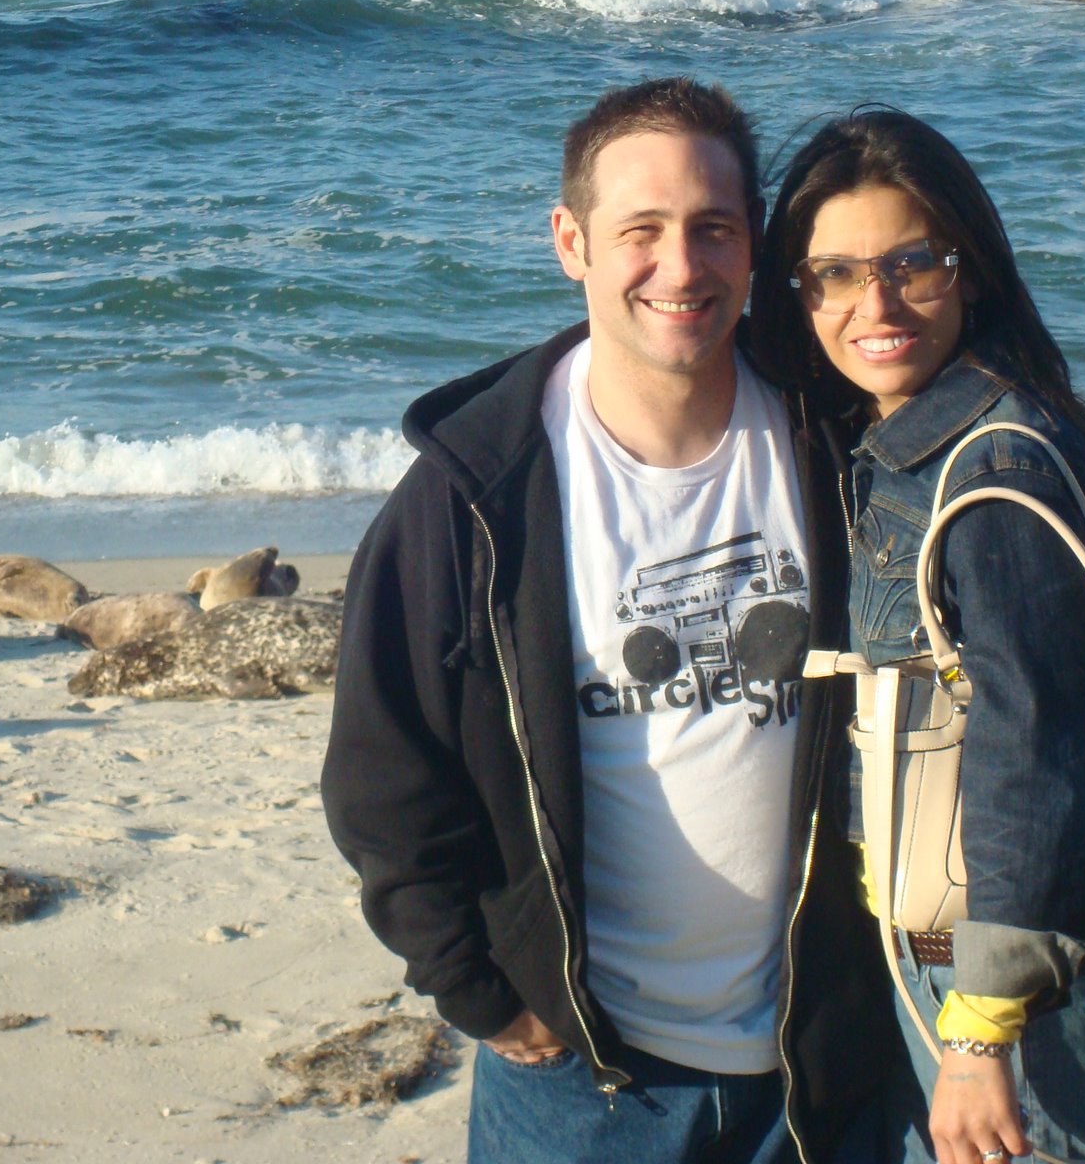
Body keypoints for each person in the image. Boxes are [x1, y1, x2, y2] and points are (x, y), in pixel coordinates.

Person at [321, 76, 897, 1164]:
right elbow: (381, 772)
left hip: (820, 1063)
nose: (680, 267)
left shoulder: (836, 440)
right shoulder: (473, 494)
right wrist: (477, 990)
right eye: (641, 230)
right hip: (581, 1075)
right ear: (571, 242)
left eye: (712, 228)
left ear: (754, 243)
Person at [750, 108, 1085, 1164]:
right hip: (967, 970)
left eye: (910, 264)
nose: (873, 305)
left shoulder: (991, 469)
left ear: (968, 268)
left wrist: (979, 1032)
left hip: (1021, 1002)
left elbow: (1035, 750)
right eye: (834, 274)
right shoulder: (911, 433)